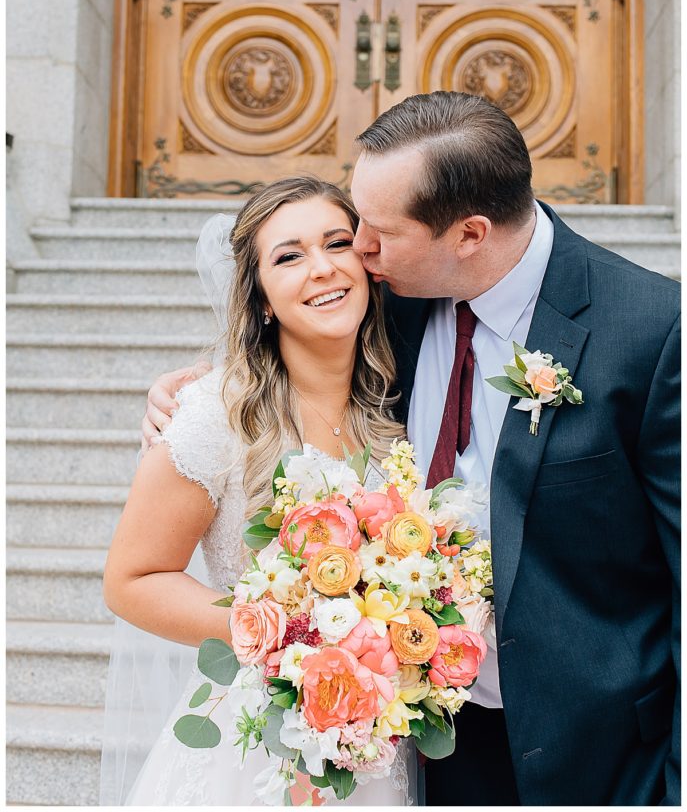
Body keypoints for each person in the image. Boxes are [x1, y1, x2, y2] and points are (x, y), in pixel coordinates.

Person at [144, 91, 680, 806]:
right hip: (422, 750)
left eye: (376, 230)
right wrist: (196, 394)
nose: (356, 251)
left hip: (603, 761)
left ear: (468, 234)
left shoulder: (651, 330)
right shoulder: (393, 299)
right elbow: (289, 357)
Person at [102, 175, 415, 806]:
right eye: (289, 257)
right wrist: (285, 634)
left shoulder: (402, 396)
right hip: (255, 737)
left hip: (379, 731)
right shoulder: (213, 415)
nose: (323, 269)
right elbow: (131, 580)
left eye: (338, 242)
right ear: (262, 298)